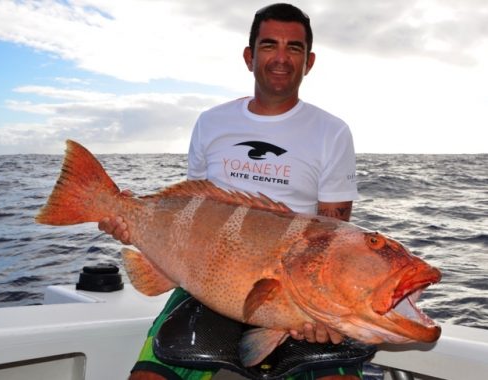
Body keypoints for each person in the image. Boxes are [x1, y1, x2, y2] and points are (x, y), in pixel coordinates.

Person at [100, 3, 360, 380]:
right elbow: (191, 211)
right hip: (205, 283)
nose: (281, 58)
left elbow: (334, 238)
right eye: (269, 45)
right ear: (249, 56)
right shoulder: (211, 122)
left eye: (295, 48)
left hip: (293, 292)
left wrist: (321, 310)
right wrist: (133, 222)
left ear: (310, 61)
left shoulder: (332, 132)